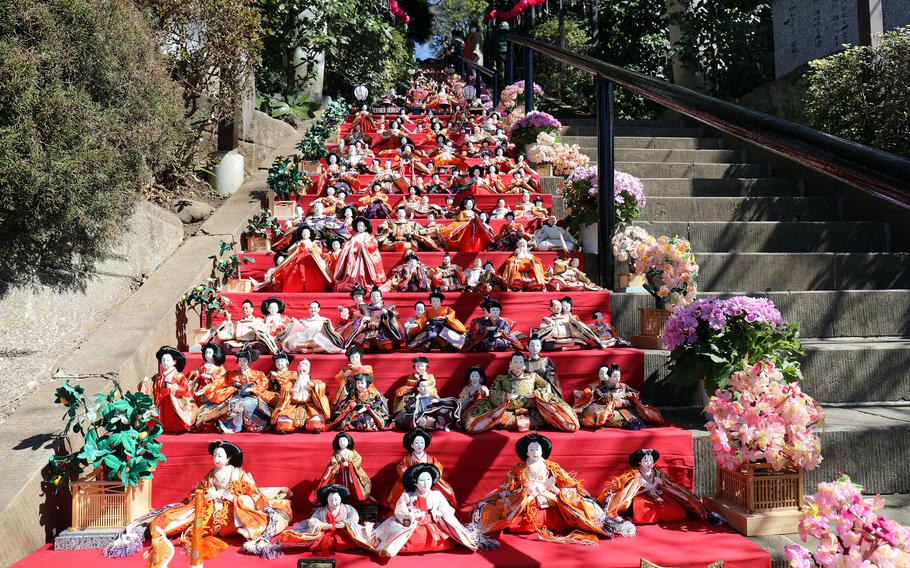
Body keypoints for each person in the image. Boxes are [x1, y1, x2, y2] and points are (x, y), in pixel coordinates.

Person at [132, 441, 292, 565]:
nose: (216, 459)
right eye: (215, 456)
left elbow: (248, 489)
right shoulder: (212, 473)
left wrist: (223, 494)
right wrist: (205, 494)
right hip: (212, 504)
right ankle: (160, 527)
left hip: (231, 506)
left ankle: (243, 529)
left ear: (229, 458)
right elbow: (202, 488)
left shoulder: (237, 472)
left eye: (220, 456)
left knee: (242, 504)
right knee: (190, 513)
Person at [472, 433, 634, 545]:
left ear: (543, 450)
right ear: (525, 452)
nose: (535, 452)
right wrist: (525, 493)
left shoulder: (552, 467)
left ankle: (605, 523)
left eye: (537, 449)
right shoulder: (518, 469)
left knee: (568, 511)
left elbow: (569, 483)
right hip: (529, 501)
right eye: (531, 450)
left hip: (550, 499)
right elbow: (505, 488)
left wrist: (556, 491)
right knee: (520, 520)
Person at [372, 464, 479, 557]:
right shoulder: (407, 495)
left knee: (443, 540)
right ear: (415, 482)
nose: (425, 483)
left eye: (428, 479)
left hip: (434, 524)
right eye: (422, 480)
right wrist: (410, 516)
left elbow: (447, 509)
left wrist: (439, 513)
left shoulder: (437, 494)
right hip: (414, 524)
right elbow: (399, 511)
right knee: (405, 539)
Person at [463, 352, 578, 433]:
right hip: (507, 413)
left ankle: (566, 421)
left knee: (552, 409)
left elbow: (546, 386)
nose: (518, 364)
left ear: (524, 365)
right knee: (485, 418)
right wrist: (505, 396)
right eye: (515, 362)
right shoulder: (501, 378)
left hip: (534, 413)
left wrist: (536, 394)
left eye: (520, 362)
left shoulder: (533, 376)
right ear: (510, 364)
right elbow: (493, 392)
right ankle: (481, 422)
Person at [599, 449, 707, 524]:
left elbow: (670, 485)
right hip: (641, 497)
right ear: (639, 462)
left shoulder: (658, 473)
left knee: (675, 512)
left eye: (650, 459)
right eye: (645, 460)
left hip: (659, 495)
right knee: (645, 512)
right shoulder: (634, 474)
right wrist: (642, 486)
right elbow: (629, 490)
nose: (649, 462)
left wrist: (662, 484)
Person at [196, 345, 276, 433]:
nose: (242, 363)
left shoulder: (258, 374)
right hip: (237, 395)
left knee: (249, 403)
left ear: (249, 362)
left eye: (244, 361)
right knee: (232, 403)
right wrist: (206, 388)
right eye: (240, 360)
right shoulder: (231, 374)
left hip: (251, 396)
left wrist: (253, 389)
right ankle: (231, 426)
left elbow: (264, 382)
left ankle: (254, 425)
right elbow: (219, 382)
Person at [279, 484, 375, 554]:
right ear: (327, 501)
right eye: (331, 500)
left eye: (336, 499)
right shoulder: (321, 511)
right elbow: (313, 520)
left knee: (356, 540)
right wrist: (323, 525)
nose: (334, 503)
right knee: (308, 540)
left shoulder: (348, 508)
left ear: (341, 499)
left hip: (343, 532)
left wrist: (344, 524)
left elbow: (354, 517)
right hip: (324, 533)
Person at [572, 364, 664, 430]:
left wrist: (631, 397)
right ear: (609, 377)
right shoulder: (601, 388)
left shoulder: (623, 386)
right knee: (601, 414)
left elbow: (635, 394)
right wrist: (609, 399)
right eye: (615, 377)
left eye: (619, 376)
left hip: (626, 408)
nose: (618, 379)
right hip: (609, 409)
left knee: (635, 414)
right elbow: (598, 398)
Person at [386, 429, 457, 509]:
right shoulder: (407, 459)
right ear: (411, 445)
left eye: (422, 442)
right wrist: (410, 477)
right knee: (400, 491)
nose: (419, 445)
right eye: (416, 443)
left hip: (428, 481)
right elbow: (401, 468)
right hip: (412, 482)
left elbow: (438, 467)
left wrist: (431, 475)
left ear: (425, 444)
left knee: (443, 489)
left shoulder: (431, 459)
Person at [139, 346, 197, 432]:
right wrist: (145, 383)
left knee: (172, 417)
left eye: (168, 360)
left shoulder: (179, 376)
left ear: (174, 362)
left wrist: (173, 387)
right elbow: (150, 385)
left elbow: (185, 390)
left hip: (172, 401)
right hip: (160, 400)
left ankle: (175, 427)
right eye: (163, 360)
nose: (165, 362)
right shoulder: (158, 376)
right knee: (160, 416)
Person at [271, 357, 332, 433]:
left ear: (308, 371)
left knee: (317, 418)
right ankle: (285, 428)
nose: (302, 373)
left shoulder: (314, 382)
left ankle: (314, 427)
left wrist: (314, 386)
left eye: (304, 371)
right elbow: (284, 389)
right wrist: (290, 391)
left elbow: (322, 386)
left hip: (310, 406)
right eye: (300, 371)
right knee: (283, 418)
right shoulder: (292, 382)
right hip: (293, 406)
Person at [311, 432, 374, 505]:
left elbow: (358, 459)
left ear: (348, 441)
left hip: (350, 472)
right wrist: (335, 463)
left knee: (353, 486)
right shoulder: (336, 453)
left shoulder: (352, 452)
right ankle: (340, 499)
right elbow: (332, 459)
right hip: (340, 472)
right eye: (340, 441)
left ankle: (354, 498)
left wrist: (350, 464)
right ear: (337, 443)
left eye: (344, 441)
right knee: (339, 486)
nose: (342, 443)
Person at [333, 216, 387, 292]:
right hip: (353, 257)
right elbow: (346, 244)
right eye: (358, 225)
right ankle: (354, 283)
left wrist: (364, 245)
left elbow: (374, 245)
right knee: (351, 271)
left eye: (362, 226)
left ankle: (363, 283)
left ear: (365, 227)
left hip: (364, 258)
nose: (360, 227)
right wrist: (348, 245)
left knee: (362, 272)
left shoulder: (369, 236)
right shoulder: (354, 236)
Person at [345, 286, 404, 351]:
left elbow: (395, 317)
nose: (375, 298)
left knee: (386, 343)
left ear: (381, 297)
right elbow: (358, 317)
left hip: (382, 330)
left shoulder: (388, 308)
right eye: (373, 296)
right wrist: (363, 319)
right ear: (370, 298)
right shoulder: (365, 308)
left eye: (377, 296)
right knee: (362, 341)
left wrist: (387, 313)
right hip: (368, 329)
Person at [394, 377, 461, 432]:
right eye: (423, 386)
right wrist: (415, 405)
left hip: (435, 416)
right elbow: (409, 409)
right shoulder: (415, 398)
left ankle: (444, 425)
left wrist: (437, 403)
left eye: (427, 386)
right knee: (421, 422)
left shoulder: (432, 397)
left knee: (447, 411)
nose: (425, 388)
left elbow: (440, 405)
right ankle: (438, 426)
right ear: (418, 388)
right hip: (423, 416)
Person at [537, 298, 605, 350]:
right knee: (546, 345)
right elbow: (543, 331)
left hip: (570, 338)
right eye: (556, 306)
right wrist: (550, 324)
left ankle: (567, 348)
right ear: (550, 308)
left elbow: (580, 327)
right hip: (556, 339)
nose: (558, 307)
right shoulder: (548, 318)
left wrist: (589, 327)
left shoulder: (570, 317)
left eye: (559, 305)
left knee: (583, 344)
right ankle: (565, 346)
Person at [279, 300, 345, 354]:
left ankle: (309, 350)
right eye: (311, 307)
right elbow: (297, 331)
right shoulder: (303, 320)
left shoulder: (324, 320)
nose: (313, 309)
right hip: (305, 340)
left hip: (319, 341)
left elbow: (331, 332)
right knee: (292, 342)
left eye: (315, 308)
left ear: (319, 309)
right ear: (308, 309)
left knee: (326, 343)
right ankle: (308, 347)